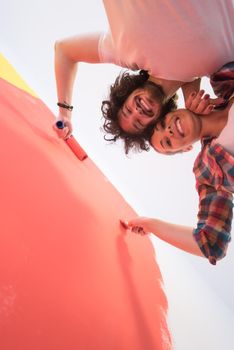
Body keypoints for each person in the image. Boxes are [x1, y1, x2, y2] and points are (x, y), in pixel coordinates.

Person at [54, 0, 233, 152]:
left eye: (127, 110)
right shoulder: (214, 69)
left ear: (126, 95)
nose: (137, 112)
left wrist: (64, 114)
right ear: (159, 120)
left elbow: (64, 50)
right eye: (139, 123)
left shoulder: (123, 51)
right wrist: (193, 107)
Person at [121, 73, 234, 265]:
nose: (169, 131)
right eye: (167, 142)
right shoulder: (210, 168)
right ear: (185, 149)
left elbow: (191, 61)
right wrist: (151, 224)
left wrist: (193, 94)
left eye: (163, 123)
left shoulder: (223, 81)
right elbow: (211, 244)